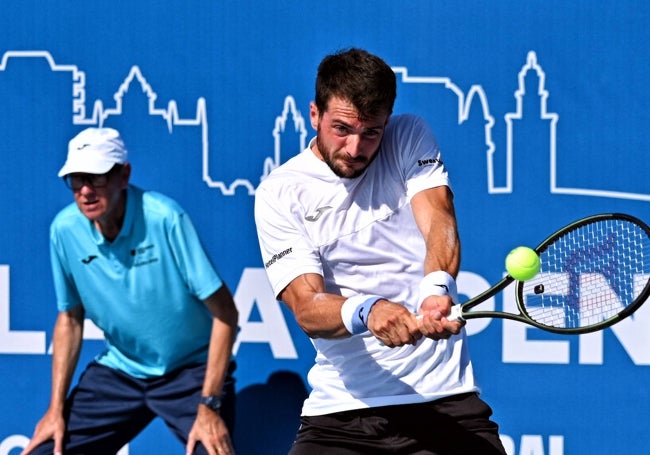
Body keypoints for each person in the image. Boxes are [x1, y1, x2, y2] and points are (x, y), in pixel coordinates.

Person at [254, 48, 506, 454]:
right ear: (314, 114)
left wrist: (435, 288)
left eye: (371, 132)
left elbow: (438, 217)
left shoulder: (408, 135)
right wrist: (368, 310)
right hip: (341, 414)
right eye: (341, 129)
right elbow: (306, 306)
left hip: (443, 402)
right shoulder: (280, 192)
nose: (355, 148)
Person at [22, 127, 238, 455]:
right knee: (46, 451)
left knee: (214, 451)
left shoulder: (166, 218)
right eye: (76, 179)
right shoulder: (64, 230)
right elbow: (69, 318)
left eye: (95, 178)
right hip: (122, 371)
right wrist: (54, 411)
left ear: (124, 175)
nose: (85, 191)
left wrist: (208, 404)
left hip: (191, 372)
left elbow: (226, 313)